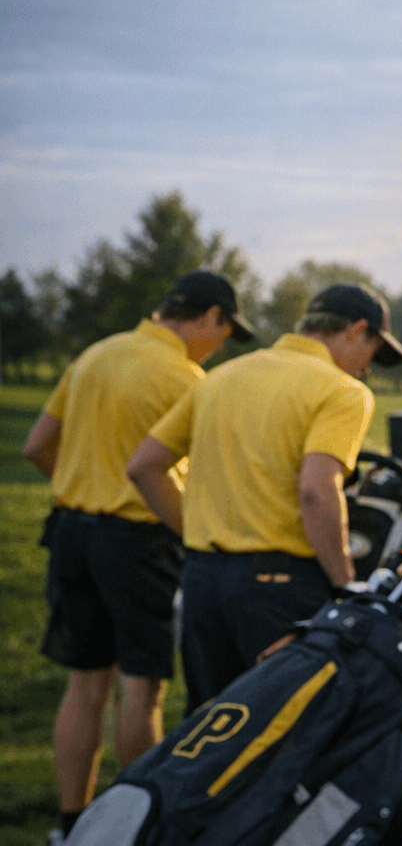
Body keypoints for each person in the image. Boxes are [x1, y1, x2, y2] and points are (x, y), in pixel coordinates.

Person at [22, 270, 253, 844]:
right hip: (137, 542)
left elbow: (37, 446)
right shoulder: (183, 377)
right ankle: (139, 825)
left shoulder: (95, 355)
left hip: (71, 531)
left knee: (84, 686)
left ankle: (71, 824)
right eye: (224, 332)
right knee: (141, 688)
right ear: (210, 317)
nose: (219, 346)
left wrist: (83, 486)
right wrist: (188, 530)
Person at [126, 283, 402, 710]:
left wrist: (193, 531)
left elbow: (143, 467)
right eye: (372, 351)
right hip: (281, 587)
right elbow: (316, 490)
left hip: (202, 579)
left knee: (213, 726)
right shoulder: (342, 391)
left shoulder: (220, 377)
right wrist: (345, 585)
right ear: (356, 331)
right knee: (290, 725)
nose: (367, 368)